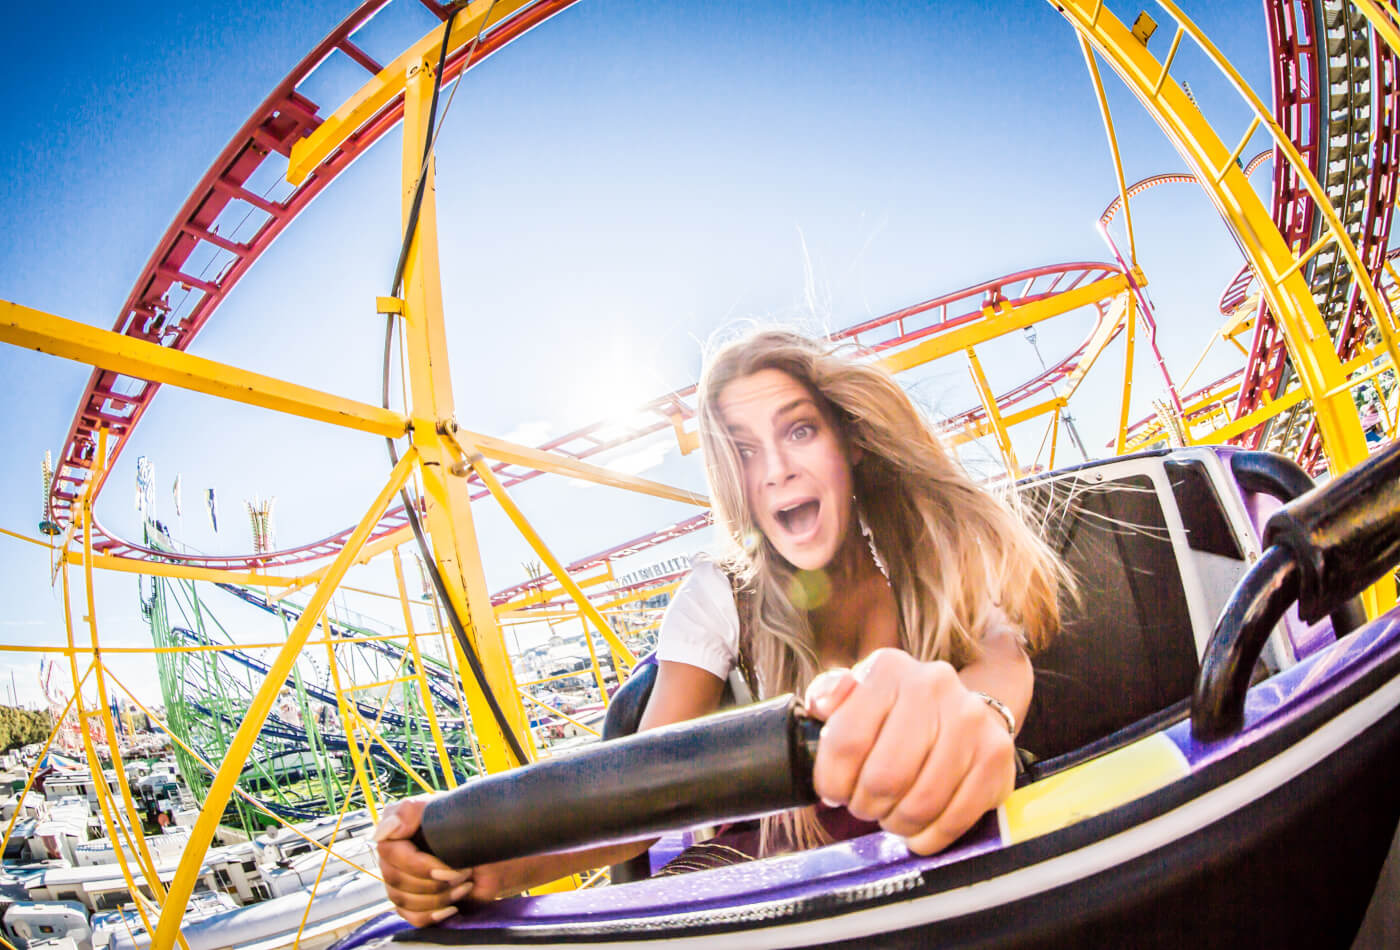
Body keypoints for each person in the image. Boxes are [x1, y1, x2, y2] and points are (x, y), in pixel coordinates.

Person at [375, 329, 1067, 926]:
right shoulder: (719, 596)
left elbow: (1001, 663)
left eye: (799, 430)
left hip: (953, 847)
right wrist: (480, 862)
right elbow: (643, 789)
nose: (774, 471)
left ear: (849, 441)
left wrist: (978, 719)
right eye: (742, 450)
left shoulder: (929, 546)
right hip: (799, 871)